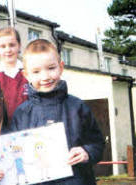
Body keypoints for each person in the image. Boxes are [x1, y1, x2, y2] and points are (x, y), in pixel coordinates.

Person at [9, 39, 105, 185]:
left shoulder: (77, 107)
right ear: (26, 74)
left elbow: (97, 143)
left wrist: (87, 152)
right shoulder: (21, 114)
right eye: (36, 71)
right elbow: (13, 154)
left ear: (61, 67)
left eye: (51, 68)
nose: (45, 77)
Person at [0, 27, 28, 120]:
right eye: (3, 46)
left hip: (29, 126)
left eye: (12, 45)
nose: (8, 50)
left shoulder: (30, 73)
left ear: (19, 46)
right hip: (4, 129)